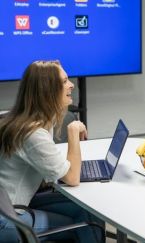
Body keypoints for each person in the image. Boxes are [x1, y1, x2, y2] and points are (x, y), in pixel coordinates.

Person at [0, 60, 104, 242]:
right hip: (10, 219)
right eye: (64, 81)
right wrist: (72, 132)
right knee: (86, 223)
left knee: (88, 210)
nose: (71, 85)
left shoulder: (24, 120)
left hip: (10, 206)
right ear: (48, 90)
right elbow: (72, 178)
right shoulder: (33, 133)